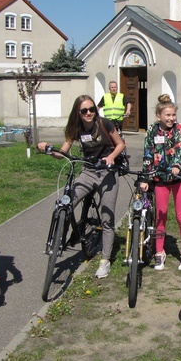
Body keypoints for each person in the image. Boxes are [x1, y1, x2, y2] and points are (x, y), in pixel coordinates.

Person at [37, 95, 125, 278]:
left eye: (92, 109)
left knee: (107, 218)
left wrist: (111, 158)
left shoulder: (104, 124)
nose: (89, 113)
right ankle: (64, 236)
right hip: (88, 171)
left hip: (107, 172)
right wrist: (49, 150)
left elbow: (120, 144)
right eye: (84, 110)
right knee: (66, 203)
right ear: (78, 112)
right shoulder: (75, 128)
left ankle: (105, 260)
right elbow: (63, 153)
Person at [139, 94, 181, 271]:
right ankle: (159, 252)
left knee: (180, 216)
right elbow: (147, 154)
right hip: (160, 179)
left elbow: (179, 148)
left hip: (177, 179)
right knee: (161, 216)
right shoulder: (152, 131)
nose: (171, 118)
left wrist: (176, 165)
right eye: (167, 115)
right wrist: (146, 178)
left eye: (173, 115)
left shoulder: (179, 129)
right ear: (159, 116)